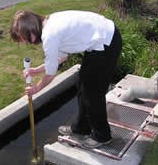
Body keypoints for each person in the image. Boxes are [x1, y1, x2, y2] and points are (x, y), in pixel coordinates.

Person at [10, 10, 122, 148]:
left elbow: (51, 74)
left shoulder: (49, 35)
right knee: (83, 85)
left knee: (92, 93)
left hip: (106, 43)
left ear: (31, 30)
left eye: (25, 38)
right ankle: (81, 127)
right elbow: (60, 58)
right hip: (100, 42)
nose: (27, 42)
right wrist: (36, 70)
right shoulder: (49, 24)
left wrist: (36, 89)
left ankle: (102, 136)